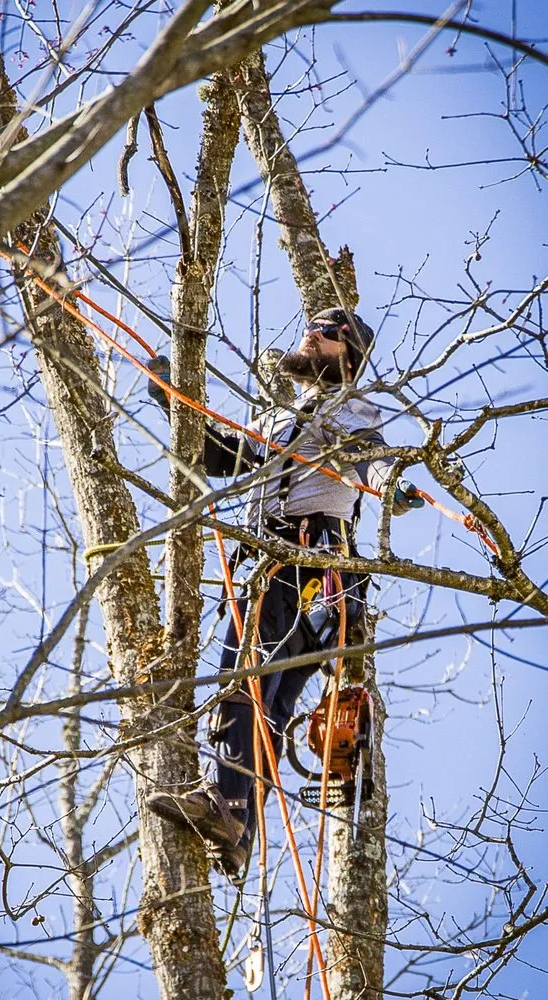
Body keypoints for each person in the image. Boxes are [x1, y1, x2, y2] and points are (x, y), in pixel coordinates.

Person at [146, 308, 424, 875]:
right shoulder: (284, 419)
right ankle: (239, 824)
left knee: (243, 681)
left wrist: (398, 488)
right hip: (308, 585)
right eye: (310, 324)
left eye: (325, 332)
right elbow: (223, 456)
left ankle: (226, 802)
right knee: (266, 705)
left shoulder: (351, 413)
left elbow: (373, 463)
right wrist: (171, 396)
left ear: (347, 355)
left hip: (299, 568)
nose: (309, 333)